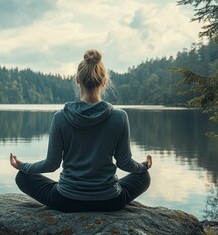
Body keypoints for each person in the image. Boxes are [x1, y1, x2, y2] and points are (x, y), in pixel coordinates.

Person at [9, 49, 152, 212]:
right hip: (109, 201)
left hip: (66, 200)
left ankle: (70, 188)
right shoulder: (120, 117)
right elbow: (125, 163)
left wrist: (23, 167)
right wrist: (144, 167)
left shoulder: (60, 117)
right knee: (143, 177)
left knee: (23, 177)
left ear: (78, 80)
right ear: (104, 81)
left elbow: (51, 164)